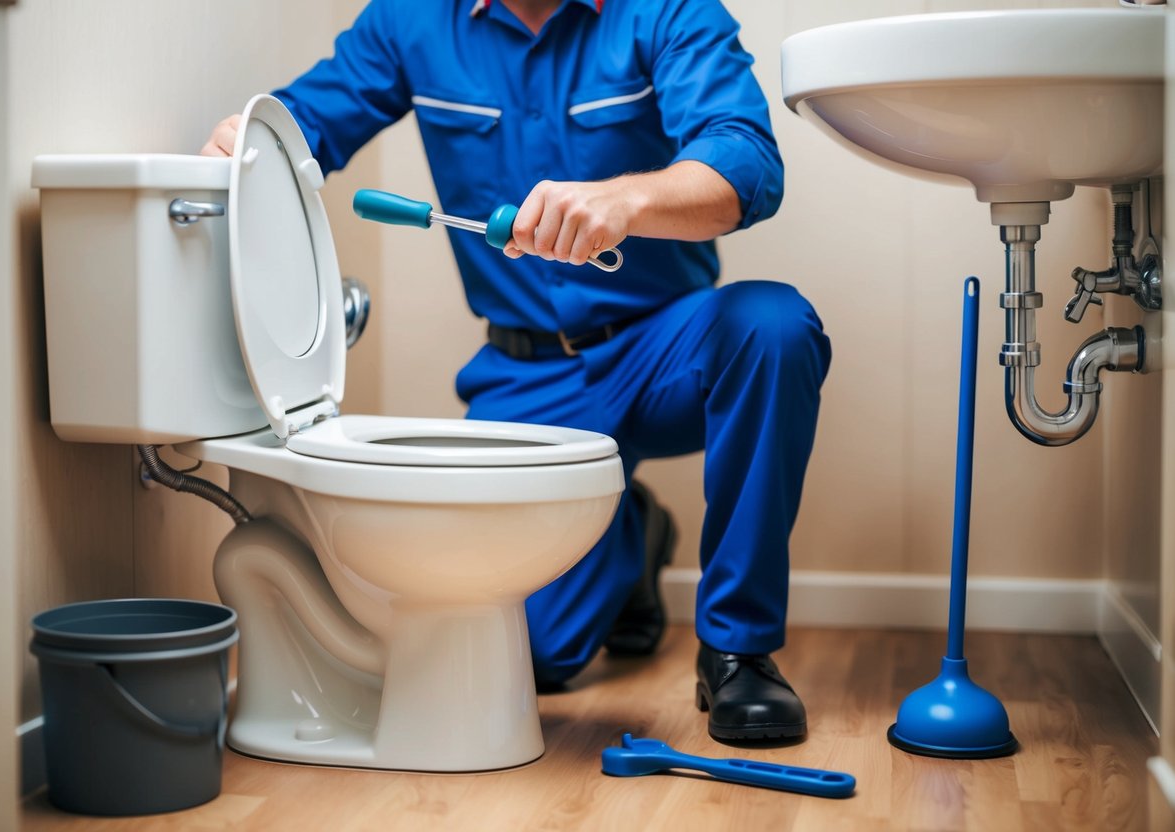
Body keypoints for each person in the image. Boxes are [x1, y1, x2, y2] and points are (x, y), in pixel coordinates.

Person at [203, 0, 831, 743]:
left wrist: (624, 199)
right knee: (533, 654)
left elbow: (747, 162)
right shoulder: (411, 21)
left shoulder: (667, 11)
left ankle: (738, 650)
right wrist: (238, 148)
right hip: (527, 374)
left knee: (772, 326)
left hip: (663, 348)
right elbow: (300, 127)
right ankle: (635, 536)